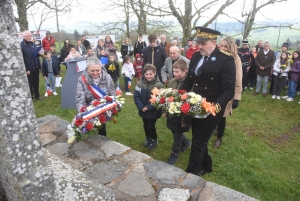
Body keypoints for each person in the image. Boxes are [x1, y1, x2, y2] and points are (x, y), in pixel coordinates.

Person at [179, 27, 236, 176]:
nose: (199, 46)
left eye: (203, 43)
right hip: (196, 106)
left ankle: (191, 174)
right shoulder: (197, 56)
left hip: (212, 108)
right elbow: (190, 79)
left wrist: (214, 107)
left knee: (198, 141)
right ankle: (207, 164)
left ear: (213, 42)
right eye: (198, 43)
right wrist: (178, 94)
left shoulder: (226, 59)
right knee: (199, 137)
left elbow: (229, 90)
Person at [213, 36, 242, 148]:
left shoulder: (235, 59)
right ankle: (214, 129)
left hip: (228, 91)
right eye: (221, 46)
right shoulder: (217, 56)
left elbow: (238, 79)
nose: (223, 48)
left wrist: (237, 97)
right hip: (216, 89)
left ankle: (219, 137)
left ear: (230, 47)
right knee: (214, 111)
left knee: (222, 116)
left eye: (226, 46)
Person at [76, 57, 115, 137]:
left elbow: (112, 94)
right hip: (89, 111)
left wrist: (112, 108)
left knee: (102, 131)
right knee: (90, 132)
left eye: (98, 70)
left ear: (101, 68)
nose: (95, 73)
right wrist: (84, 115)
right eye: (92, 71)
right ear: (87, 69)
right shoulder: (82, 80)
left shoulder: (107, 77)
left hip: (103, 111)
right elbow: (80, 99)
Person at [165, 59, 191, 165]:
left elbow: (190, 101)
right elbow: (167, 96)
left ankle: (174, 154)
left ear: (185, 71)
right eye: (173, 71)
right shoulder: (171, 82)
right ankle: (186, 142)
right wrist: (166, 110)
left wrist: (186, 118)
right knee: (173, 130)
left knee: (177, 135)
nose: (174, 74)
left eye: (177, 72)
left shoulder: (189, 83)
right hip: (172, 112)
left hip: (182, 114)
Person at [134, 64, 164, 150]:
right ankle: (148, 138)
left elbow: (159, 100)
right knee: (145, 125)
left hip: (153, 111)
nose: (148, 76)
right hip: (143, 110)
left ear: (155, 73)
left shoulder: (159, 85)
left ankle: (154, 140)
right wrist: (141, 107)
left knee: (150, 126)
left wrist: (149, 107)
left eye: (150, 74)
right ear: (144, 74)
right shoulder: (139, 84)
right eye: (146, 74)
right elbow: (136, 97)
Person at [20, 30, 42, 100]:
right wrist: (26, 69)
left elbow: (34, 54)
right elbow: (21, 59)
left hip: (36, 67)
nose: (30, 37)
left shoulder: (33, 44)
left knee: (36, 83)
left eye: (30, 36)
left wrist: (38, 54)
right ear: (23, 36)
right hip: (29, 68)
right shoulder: (22, 46)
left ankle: (37, 96)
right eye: (28, 36)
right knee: (30, 84)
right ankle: (30, 97)